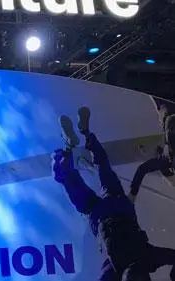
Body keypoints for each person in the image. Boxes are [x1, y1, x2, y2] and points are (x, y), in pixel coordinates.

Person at [52, 106, 175, 281]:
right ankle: (69, 147)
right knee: (70, 179)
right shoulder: (114, 271)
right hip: (99, 214)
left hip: (119, 206)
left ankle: (85, 135)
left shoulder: (148, 259)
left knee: (103, 166)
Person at [129, 99, 175, 203]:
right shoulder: (166, 161)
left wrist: (132, 195)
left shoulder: (165, 161)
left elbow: (142, 169)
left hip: (165, 110)